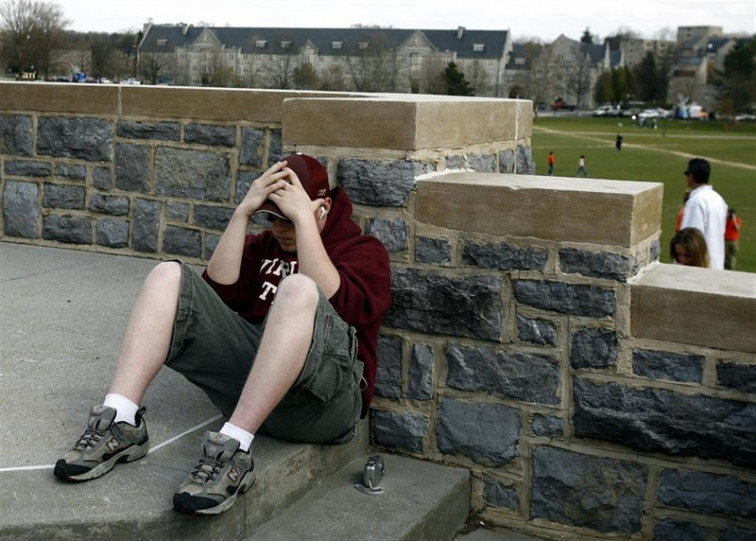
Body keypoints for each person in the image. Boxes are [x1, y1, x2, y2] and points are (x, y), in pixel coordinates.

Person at [54, 153, 392, 516]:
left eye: (289, 218)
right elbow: (217, 292)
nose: (280, 228)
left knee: (297, 289)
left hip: (323, 405)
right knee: (169, 276)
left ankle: (232, 448)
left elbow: (339, 305)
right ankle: (120, 420)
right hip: (256, 393)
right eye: (272, 217)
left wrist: (303, 222)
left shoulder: (364, 251)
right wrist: (243, 213)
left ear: (323, 208)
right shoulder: (264, 247)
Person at [680, 158, 728, 270]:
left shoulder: (696, 201)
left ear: (691, 176)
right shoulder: (718, 199)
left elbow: (691, 238)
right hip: (716, 262)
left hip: (700, 266)